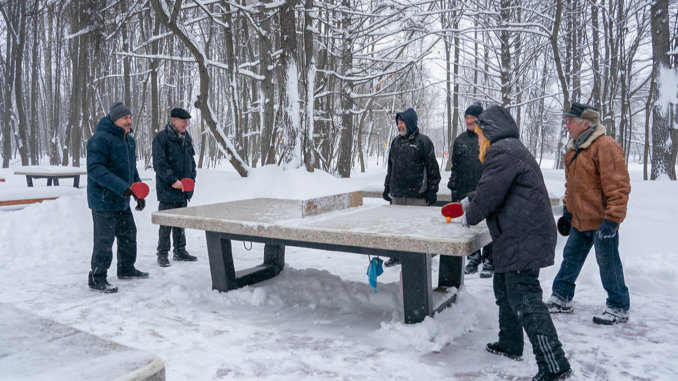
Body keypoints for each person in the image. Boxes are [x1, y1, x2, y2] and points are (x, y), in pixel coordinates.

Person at [462, 105, 572, 381]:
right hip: (520, 234)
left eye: (479, 133)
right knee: (504, 287)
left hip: (524, 237)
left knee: (525, 297)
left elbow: (489, 195)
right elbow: (493, 187)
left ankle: (555, 365)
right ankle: (510, 343)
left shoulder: (501, 151)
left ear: (488, 132)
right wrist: (470, 199)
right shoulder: (510, 148)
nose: (477, 139)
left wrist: (469, 213)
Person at [546, 102, 631, 326]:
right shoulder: (574, 148)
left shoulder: (605, 146)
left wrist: (612, 220)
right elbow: (571, 186)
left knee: (608, 263)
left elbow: (618, 186)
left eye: (571, 121)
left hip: (601, 220)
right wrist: (567, 211)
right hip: (579, 219)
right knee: (570, 259)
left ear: (586, 123)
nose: (567, 125)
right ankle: (562, 297)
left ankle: (618, 306)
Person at [87, 101, 149, 293]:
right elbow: (95, 170)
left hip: (122, 199)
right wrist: (123, 187)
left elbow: (132, 170)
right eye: (125, 118)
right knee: (104, 241)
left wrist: (138, 192)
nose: (129, 121)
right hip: (104, 200)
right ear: (114, 119)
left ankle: (126, 268)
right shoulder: (99, 139)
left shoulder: (129, 140)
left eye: (130, 117)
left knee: (128, 235)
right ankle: (97, 278)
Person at [383, 108, 441, 267]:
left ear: (410, 122)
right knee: (396, 228)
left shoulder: (423, 141)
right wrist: (387, 186)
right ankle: (396, 255)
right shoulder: (395, 142)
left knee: (416, 230)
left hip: (418, 196)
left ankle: (418, 258)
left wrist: (432, 190)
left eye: (402, 122)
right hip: (397, 195)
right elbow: (390, 167)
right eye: (398, 122)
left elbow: (433, 169)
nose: (399, 125)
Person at [447, 103, 494, 278]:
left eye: (473, 118)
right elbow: (455, 167)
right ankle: (473, 259)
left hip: (483, 189)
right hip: (464, 189)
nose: (469, 121)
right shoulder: (460, 140)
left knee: (487, 226)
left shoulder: (487, 138)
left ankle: (489, 260)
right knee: (468, 226)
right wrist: (454, 186)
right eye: (467, 118)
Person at [152, 107, 198, 267]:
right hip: (168, 189)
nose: (186, 124)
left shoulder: (187, 138)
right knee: (166, 222)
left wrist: (191, 180)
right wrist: (173, 180)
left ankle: (180, 250)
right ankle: (162, 254)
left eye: (187, 121)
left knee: (180, 221)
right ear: (173, 120)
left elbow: (192, 163)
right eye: (183, 121)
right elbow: (159, 164)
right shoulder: (161, 138)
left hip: (184, 190)